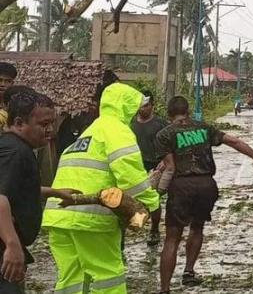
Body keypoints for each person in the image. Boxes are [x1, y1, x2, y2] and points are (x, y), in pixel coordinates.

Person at [42, 81, 160, 294]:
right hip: (90, 219)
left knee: (72, 278)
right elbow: (129, 172)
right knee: (108, 275)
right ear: (127, 107)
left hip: (59, 216)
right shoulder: (116, 130)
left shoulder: (89, 132)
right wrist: (151, 202)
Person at [156, 96, 253, 293]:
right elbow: (233, 141)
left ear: (169, 115)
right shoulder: (204, 128)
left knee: (172, 237)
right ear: (188, 111)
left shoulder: (165, 134)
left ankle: (165, 289)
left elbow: (170, 167)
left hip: (182, 186)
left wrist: (157, 191)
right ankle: (189, 272)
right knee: (197, 228)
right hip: (206, 185)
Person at [0, 90, 80, 293]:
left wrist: (55, 192)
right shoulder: (16, 152)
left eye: (52, 123)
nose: (51, 130)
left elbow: (17, 190)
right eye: (44, 125)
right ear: (19, 123)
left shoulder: (14, 146)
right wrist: (12, 244)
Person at [130, 90, 168, 246]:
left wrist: (165, 161)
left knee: (153, 199)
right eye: (140, 106)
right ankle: (135, 224)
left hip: (156, 165)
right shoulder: (131, 124)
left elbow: (171, 142)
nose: (142, 109)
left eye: (146, 106)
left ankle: (154, 229)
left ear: (152, 106)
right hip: (136, 165)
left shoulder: (161, 124)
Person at [0, 63, 17, 130]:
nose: (2, 84)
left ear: (12, 83)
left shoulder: (16, 105)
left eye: (7, 81)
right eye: (0, 80)